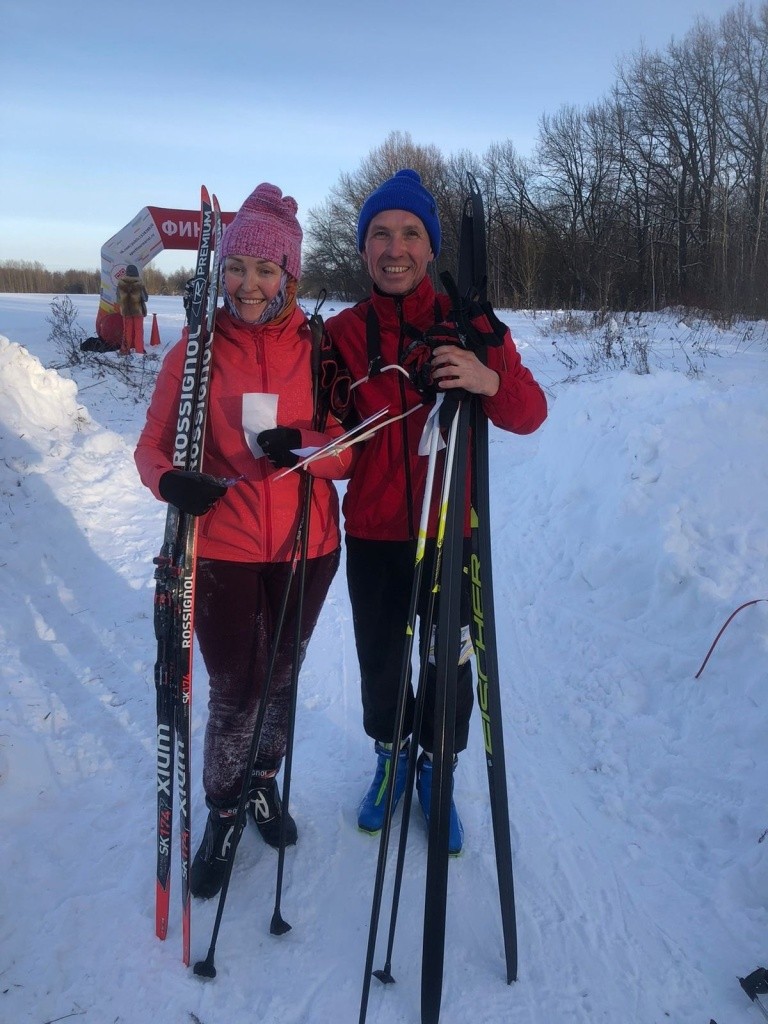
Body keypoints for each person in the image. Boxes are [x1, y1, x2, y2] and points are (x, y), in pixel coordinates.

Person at [134, 183, 354, 898]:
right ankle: (224, 809)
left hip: (309, 544)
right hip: (223, 549)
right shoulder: (194, 356)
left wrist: (307, 446)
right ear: (220, 271)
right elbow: (151, 449)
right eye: (237, 268)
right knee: (236, 688)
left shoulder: (318, 350)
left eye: (266, 270)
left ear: (288, 273)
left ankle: (263, 782)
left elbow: (350, 452)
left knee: (281, 679)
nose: (249, 284)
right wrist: (172, 484)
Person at [324, 169, 547, 854]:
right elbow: (320, 432)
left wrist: (487, 379)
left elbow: (530, 412)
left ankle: (436, 769)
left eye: (411, 233)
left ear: (431, 246)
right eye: (381, 234)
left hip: (452, 531)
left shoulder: (470, 322)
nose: (396, 247)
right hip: (373, 534)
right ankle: (392, 759)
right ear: (364, 249)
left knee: (448, 666)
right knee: (381, 660)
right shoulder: (338, 335)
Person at [116, 263, 147, 355]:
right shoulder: (139, 284)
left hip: (126, 311)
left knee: (126, 331)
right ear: (136, 272)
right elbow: (145, 298)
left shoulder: (120, 284)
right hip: (138, 311)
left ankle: (125, 350)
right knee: (139, 331)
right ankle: (139, 351)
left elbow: (118, 299)